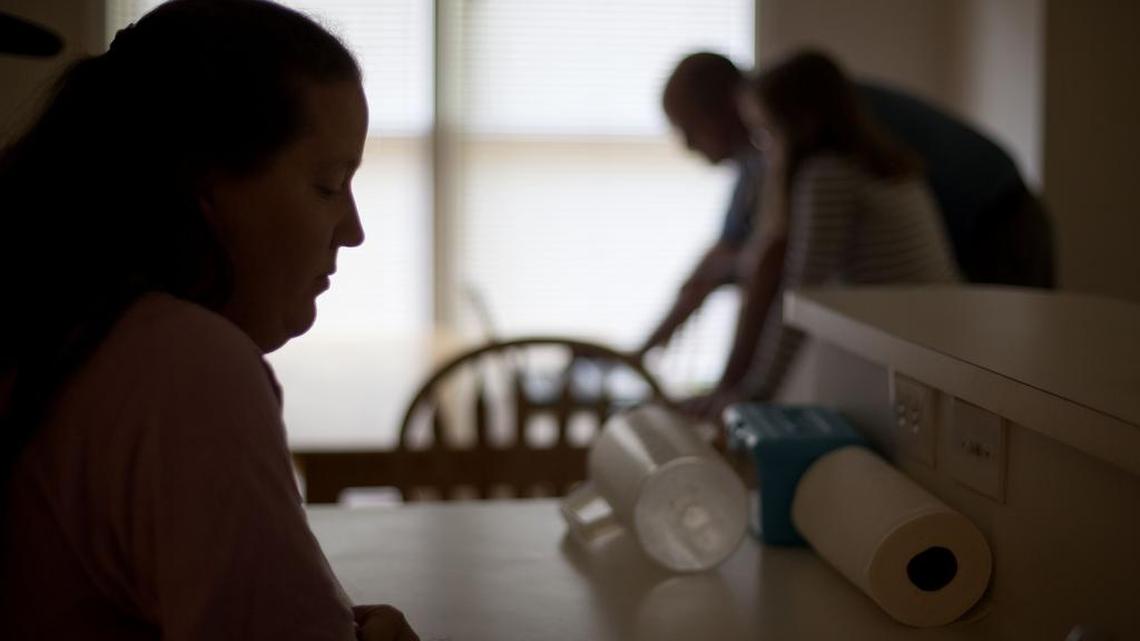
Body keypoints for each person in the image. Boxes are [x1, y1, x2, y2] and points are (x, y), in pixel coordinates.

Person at [0, 2, 418, 639]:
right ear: (204, 185)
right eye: (329, 185)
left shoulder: (55, 328)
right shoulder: (184, 369)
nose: (354, 232)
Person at [639, 51, 1053, 370]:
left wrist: (739, 389)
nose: (690, 147)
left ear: (728, 110)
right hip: (956, 256)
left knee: (1006, 375)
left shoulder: (819, 149)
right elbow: (726, 255)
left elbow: (778, 266)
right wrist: (645, 350)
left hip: (999, 221)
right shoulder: (772, 144)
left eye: (689, 129)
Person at [677, 51, 960, 418]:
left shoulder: (827, 178)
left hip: (920, 350)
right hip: (942, 335)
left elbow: (800, 294)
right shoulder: (878, 165)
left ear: (798, 125)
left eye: (766, 134)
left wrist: (753, 393)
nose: (766, 152)